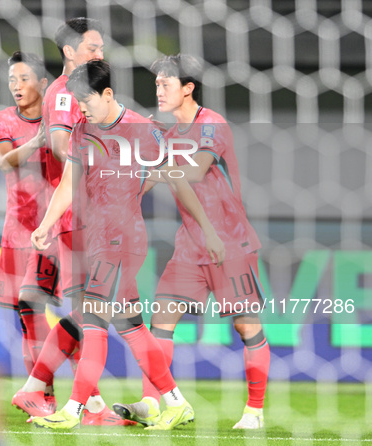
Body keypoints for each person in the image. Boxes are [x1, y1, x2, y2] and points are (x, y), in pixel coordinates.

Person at [30, 59, 225, 430]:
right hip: (96, 239)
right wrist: (45, 225)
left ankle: (73, 410)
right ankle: (176, 401)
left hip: (124, 241)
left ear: (107, 93)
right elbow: (68, 183)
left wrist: (208, 231)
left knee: (93, 322)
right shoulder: (82, 130)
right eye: (76, 102)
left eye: (85, 100)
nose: (81, 108)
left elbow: (179, 182)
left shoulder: (143, 131)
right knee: (133, 327)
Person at [113, 54, 269, 429]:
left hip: (230, 243)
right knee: (161, 322)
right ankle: (154, 401)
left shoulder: (212, 124)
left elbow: (195, 170)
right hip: (189, 245)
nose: (159, 89)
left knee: (247, 327)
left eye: (166, 83)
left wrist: (148, 165)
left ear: (188, 88)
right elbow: (146, 182)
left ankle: (254, 411)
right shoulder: (166, 133)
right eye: (156, 83)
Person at [11, 18, 132, 426]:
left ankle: (91, 405)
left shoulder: (77, 91)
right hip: (79, 215)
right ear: (69, 51)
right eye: (92, 47)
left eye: (100, 48)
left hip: (81, 214)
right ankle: (36, 387)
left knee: (90, 313)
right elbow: (64, 147)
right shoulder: (65, 93)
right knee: (90, 313)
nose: (100, 54)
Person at [0, 51, 60, 406]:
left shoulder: (61, 121)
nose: (16, 86)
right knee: (28, 313)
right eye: (12, 80)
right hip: (18, 231)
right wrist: (37, 141)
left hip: (58, 230)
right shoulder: (0, 120)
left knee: (74, 314)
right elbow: (4, 162)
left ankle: (88, 399)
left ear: (43, 83)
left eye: (24, 79)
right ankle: (42, 396)